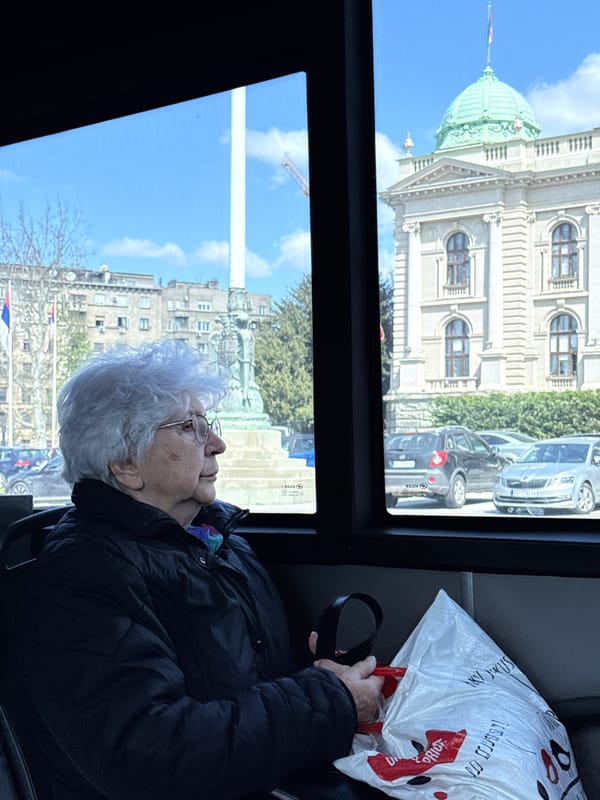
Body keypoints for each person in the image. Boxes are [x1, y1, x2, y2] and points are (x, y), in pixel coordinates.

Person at [15, 339, 383, 800]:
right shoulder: (83, 577)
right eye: (190, 428)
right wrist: (328, 699)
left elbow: (235, 681)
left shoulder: (216, 542)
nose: (218, 444)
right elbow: (155, 755)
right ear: (127, 464)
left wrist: (319, 671)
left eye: (209, 425)